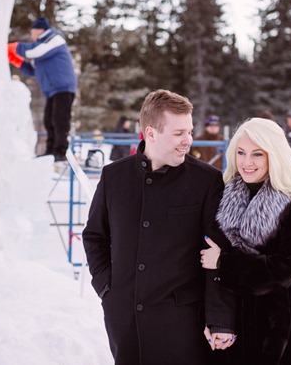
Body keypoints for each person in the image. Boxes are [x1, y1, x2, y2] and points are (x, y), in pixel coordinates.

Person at [82, 89, 236, 365]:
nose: (187, 140)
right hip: (125, 319)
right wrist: (107, 287)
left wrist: (220, 318)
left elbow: (217, 252)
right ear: (150, 134)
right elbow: (94, 235)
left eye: (189, 131)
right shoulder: (114, 176)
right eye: (178, 133)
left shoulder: (207, 181)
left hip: (181, 322)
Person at [200, 117, 291, 365]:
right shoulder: (222, 194)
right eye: (241, 153)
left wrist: (225, 263)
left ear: (274, 155)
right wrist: (212, 318)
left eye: (257, 154)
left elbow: (282, 271)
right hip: (230, 322)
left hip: (278, 326)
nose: (246, 162)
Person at [7, 17, 77, 163]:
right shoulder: (40, 47)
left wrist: (15, 47)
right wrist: (16, 60)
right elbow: (32, 69)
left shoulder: (54, 39)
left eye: (33, 32)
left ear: (40, 30)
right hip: (51, 90)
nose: (31, 36)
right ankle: (51, 151)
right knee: (48, 120)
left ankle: (60, 152)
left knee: (60, 120)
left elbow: (35, 52)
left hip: (63, 87)